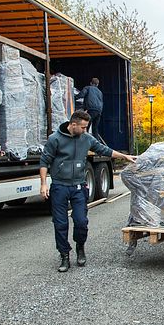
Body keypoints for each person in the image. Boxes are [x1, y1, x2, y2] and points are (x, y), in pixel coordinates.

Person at [39, 110, 136, 272]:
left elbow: (105, 150)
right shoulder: (55, 139)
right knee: (60, 223)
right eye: (83, 127)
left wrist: (125, 157)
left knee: (81, 221)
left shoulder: (86, 139)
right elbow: (44, 162)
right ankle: (64, 255)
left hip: (79, 186)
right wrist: (43, 184)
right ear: (73, 124)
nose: (85, 130)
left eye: (86, 127)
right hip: (60, 187)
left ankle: (80, 247)